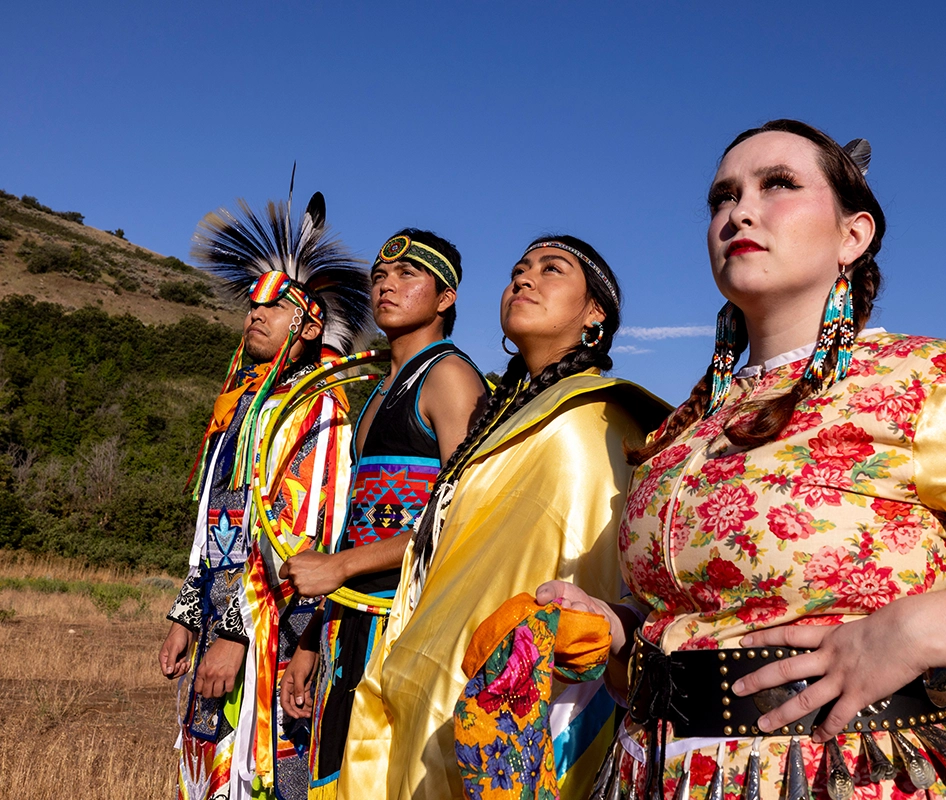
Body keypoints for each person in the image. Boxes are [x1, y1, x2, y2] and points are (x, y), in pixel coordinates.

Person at [540, 120, 946, 800]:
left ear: (853, 236)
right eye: (722, 196)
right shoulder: (682, 430)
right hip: (651, 778)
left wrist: (920, 630)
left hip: (848, 776)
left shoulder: (930, 384)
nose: (740, 210)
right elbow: (692, 622)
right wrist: (617, 633)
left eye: (779, 186)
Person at [336, 235, 671, 800]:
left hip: (516, 695)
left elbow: (589, 571)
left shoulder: (599, 419)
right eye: (518, 269)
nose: (524, 279)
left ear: (596, 313)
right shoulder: (497, 417)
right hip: (426, 668)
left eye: (552, 269)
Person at [158, 189, 372, 800]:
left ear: (308, 324)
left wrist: (233, 634)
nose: (255, 314)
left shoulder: (317, 410)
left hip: (272, 634)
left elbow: (300, 537)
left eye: (274, 306)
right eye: (252, 304)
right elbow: (217, 522)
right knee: (210, 771)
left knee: (268, 776)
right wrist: (187, 612)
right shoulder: (243, 409)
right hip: (223, 623)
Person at [276, 229, 488, 799]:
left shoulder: (449, 378)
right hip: (350, 621)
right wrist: (307, 640)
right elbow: (359, 517)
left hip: (408, 623)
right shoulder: (376, 391)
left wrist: (341, 566)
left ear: (445, 298)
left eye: (407, 275)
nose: (387, 286)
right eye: (379, 277)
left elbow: (462, 515)